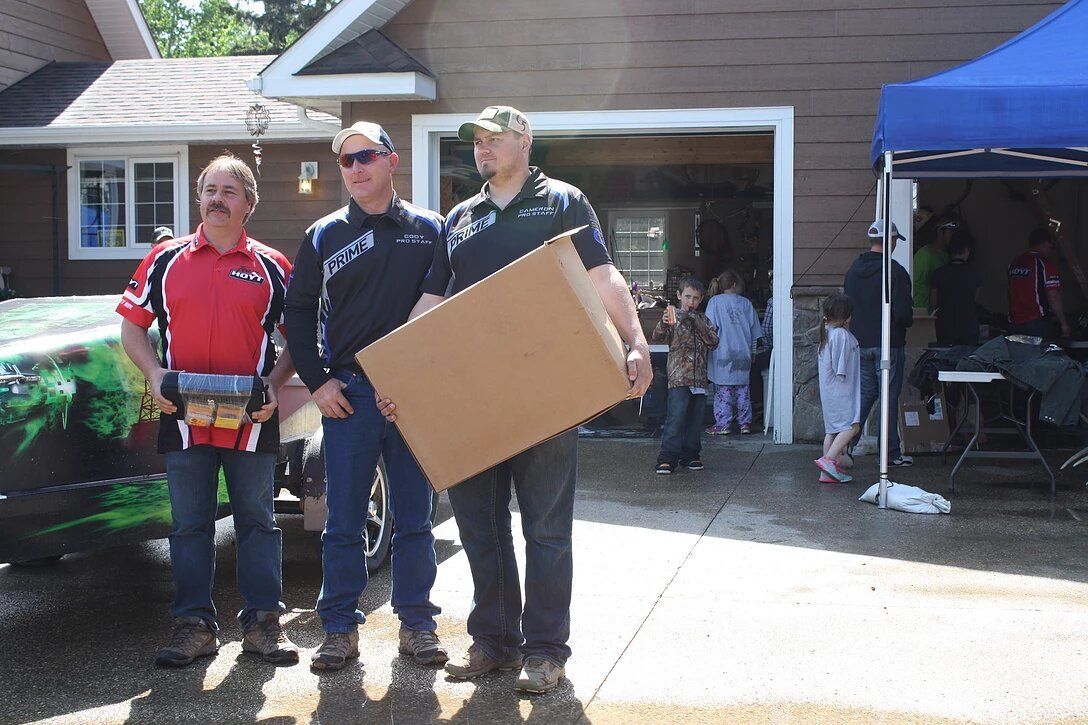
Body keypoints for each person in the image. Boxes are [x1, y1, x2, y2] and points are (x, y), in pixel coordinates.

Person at [377, 105, 652, 694]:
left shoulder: (563, 201)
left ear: (524, 141)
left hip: (549, 393)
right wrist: (396, 374)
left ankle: (547, 650)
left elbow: (603, 278)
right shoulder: (461, 217)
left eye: (493, 139)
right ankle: (494, 642)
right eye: (476, 141)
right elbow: (433, 300)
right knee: (480, 526)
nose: (482, 149)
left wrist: (635, 342)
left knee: (547, 530)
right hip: (475, 398)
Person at [117, 153, 299, 668]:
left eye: (229, 191)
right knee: (190, 524)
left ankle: (264, 623)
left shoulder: (273, 266)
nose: (216, 199)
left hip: (251, 417)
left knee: (258, 522)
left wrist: (273, 385)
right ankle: (194, 624)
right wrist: (154, 376)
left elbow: (299, 340)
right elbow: (132, 328)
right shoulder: (163, 260)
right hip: (183, 411)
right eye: (209, 190)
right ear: (199, 199)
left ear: (249, 205)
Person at [283, 122, 446, 672]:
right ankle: (338, 629)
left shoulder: (432, 230)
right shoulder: (323, 235)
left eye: (366, 157)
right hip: (347, 395)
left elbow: (452, 307)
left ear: (391, 160)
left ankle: (418, 626)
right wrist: (318, 381)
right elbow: (298, 314)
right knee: (343, 521)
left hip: (416, 395)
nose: (355, 169)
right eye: (346, 161)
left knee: (415, 517)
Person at [843, 219, 914, 467]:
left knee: (864, 397)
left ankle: (844, 446)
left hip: (860, 342)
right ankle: (890, 454)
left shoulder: (853, 270)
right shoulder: (895, 271)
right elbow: (903, 313)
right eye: (895, 239)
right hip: (888, 343)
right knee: (888, 397)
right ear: (891, 240)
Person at [652, 276, 719, 475]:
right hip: (679, 376)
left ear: (701, 299)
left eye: (695, 298)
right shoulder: (672, 317)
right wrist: (663, 324)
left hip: (699, 378)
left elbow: (713, 341)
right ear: (679, 296)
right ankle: (667, 458)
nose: (691, 302)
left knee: (695, 419)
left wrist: (694, 320)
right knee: (676, 418)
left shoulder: (704, 319)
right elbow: (657, 337)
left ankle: (691, 455)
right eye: (687, 297)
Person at [705, 269, 762, 435]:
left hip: (722, 355)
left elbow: (710, 329)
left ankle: (723, 424)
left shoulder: (715, 302)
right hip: (743, 354)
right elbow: (754, 334)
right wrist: (752, 353)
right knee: (743, 391)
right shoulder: (746, 304)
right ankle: (745, 423)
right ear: (735, 284)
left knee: (724, 392)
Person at [814, 294, 861, 483]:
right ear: (848, 316)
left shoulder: (827, 332)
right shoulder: (841, 334)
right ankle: (828, 461)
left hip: (830, 390)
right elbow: (840, 368)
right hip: (841, 390)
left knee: (832, 430)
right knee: (852, 426)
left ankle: (827, 474)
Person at [1007, 227, 1070, 339]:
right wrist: (1063, 323)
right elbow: (1053, 296)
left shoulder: (1014, 263)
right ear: (1045, 244)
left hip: (1014, 322)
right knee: (1038, 356)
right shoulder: (1044, 263)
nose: (1050, 250)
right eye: (1050, 246)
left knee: (1018, 355)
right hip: (1035, 323)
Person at [931, 233, 982, 346]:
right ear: (967, 250)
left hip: (945, 327)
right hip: (969, 327)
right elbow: (976, 299)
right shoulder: (974, 274)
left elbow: (934, 302)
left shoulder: (939, 273)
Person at [913, 218, 956, 309]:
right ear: (940, 232)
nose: (952, 235)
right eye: (950, 231)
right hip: (924, 309)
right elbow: (917, 284)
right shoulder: (925, 254)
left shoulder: (946, 255)